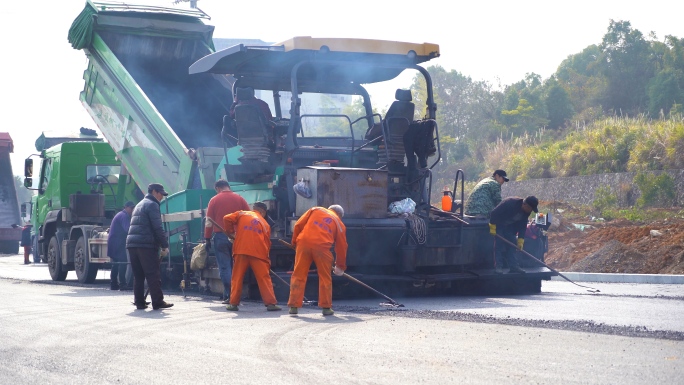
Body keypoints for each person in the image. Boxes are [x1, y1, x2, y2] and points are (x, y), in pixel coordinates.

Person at [287, 205, 347, 316]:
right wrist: (340, 266)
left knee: (298, 274)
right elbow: (342, 247)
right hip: (322, 248)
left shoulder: (316, 209)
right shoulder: (339, 224)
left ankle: (294, 306)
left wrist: (295, 242)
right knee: (325, 277)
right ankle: (326, 307)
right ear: (340, 215)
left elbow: (298, 224)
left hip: (303, 243)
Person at [222, 202, 281, 312]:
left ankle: (233, 304)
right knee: (264, 278)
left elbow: (226, 218)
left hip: (241, 250)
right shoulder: (265, 224)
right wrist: (267, 260)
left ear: (253, 209)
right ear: (263, 212)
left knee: (237, 277)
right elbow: (267, 243)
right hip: (258, 253)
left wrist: (232, 233)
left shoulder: (242, 214)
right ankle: (271, 304)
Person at [126, 183, 173, 310]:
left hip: (132, 244)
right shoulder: (152, 205)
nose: (162, 197)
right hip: (145, 245)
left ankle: (139, 302)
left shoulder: (139, 204)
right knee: (153, 274)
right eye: (160, 194)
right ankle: (157, 301)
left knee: (139, 275)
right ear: (154, 192)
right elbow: (157, 227)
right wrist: (165, 245)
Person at [204, 179, 250, 303]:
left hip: (221, 237)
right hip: (237, 237)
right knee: (236, 267)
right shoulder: (240, 198)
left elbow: (208, 221)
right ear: (228, 187)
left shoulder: (214, 200)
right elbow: (250, 216)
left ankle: (230, 295)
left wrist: (207, 238)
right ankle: (232, 295)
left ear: (218, 188)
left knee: (225, 267)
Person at [489, 196, 539, 274]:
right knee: (498, 245)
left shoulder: (527, 211)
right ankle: (498, 267)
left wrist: (520, 240)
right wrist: (492, 226)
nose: (531, 211)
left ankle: (513, 267)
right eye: (530, 209)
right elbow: (494, 213)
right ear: (525, 205)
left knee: (512, 245)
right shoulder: (510, 203)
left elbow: (522, 226)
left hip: (510, 227)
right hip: (499, 224)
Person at [108, 201, 135, 290]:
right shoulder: (124, 216)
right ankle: (122, 284)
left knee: (115, 263)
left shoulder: (120, 214)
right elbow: (127, 229)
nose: (132, 210)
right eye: (131, 208)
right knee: (122, 262)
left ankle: (114, 284)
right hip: (118, 242)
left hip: (114, 241)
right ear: (126, 207)